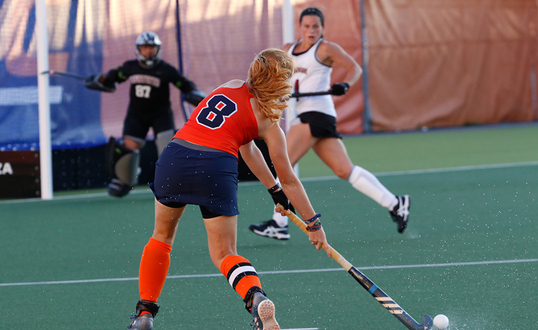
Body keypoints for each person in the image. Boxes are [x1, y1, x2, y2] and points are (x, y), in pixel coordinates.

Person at [126, 48, 332, 330]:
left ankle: (144, 316)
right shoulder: (269, 124)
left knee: (161, 238)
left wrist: (274, 192)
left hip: (175, 158)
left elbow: (247, 148)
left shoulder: (230, 86)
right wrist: (313, 223)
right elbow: (290, 179)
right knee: (224, 253)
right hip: (214, 167)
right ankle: (256, 297)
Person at [249, 7, 410, 240]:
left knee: (284, 163)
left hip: (317, 114)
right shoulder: (287, 50)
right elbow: (279, 77)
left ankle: (279, 223)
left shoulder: (326, 48)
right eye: (307, 26)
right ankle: (395, 203)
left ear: (322, 28)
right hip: (305, 115)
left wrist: (345, 84)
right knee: (345, 170)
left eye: (316, 26)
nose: (311, 31)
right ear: (300, 27)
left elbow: (355, 69)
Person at [83, 31, 206, 197]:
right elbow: (114, 76)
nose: (148, 51)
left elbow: (184, 84)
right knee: (129, 147)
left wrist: (194, 92)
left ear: (158, 49)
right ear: (138, 49)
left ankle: (174, 184)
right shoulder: (130, 67)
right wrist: (101, 79)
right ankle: (124, 181)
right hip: (137, 115)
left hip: (161, 115)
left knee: (167, 148)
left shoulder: (166, 70)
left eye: (152, 48)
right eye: (145, 48)